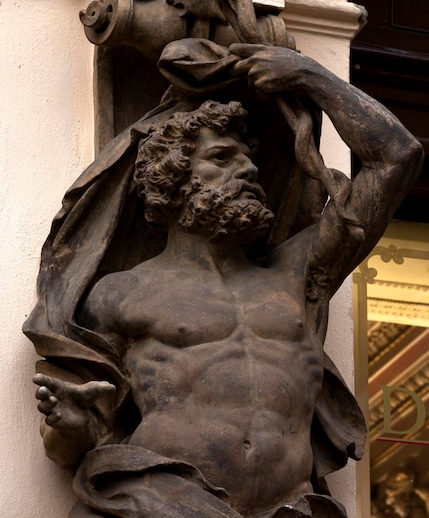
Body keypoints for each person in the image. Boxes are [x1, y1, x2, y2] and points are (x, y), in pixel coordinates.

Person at [29, 44, 423, 518]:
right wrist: (69, 423)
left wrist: (310, 75)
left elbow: (397, 158)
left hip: (290, 507)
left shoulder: (298, 273)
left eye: (249, 158)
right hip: (159, 504)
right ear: (169, 178)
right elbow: (70, 446)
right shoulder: (118, 293)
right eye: (223, 157)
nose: (249, 168)